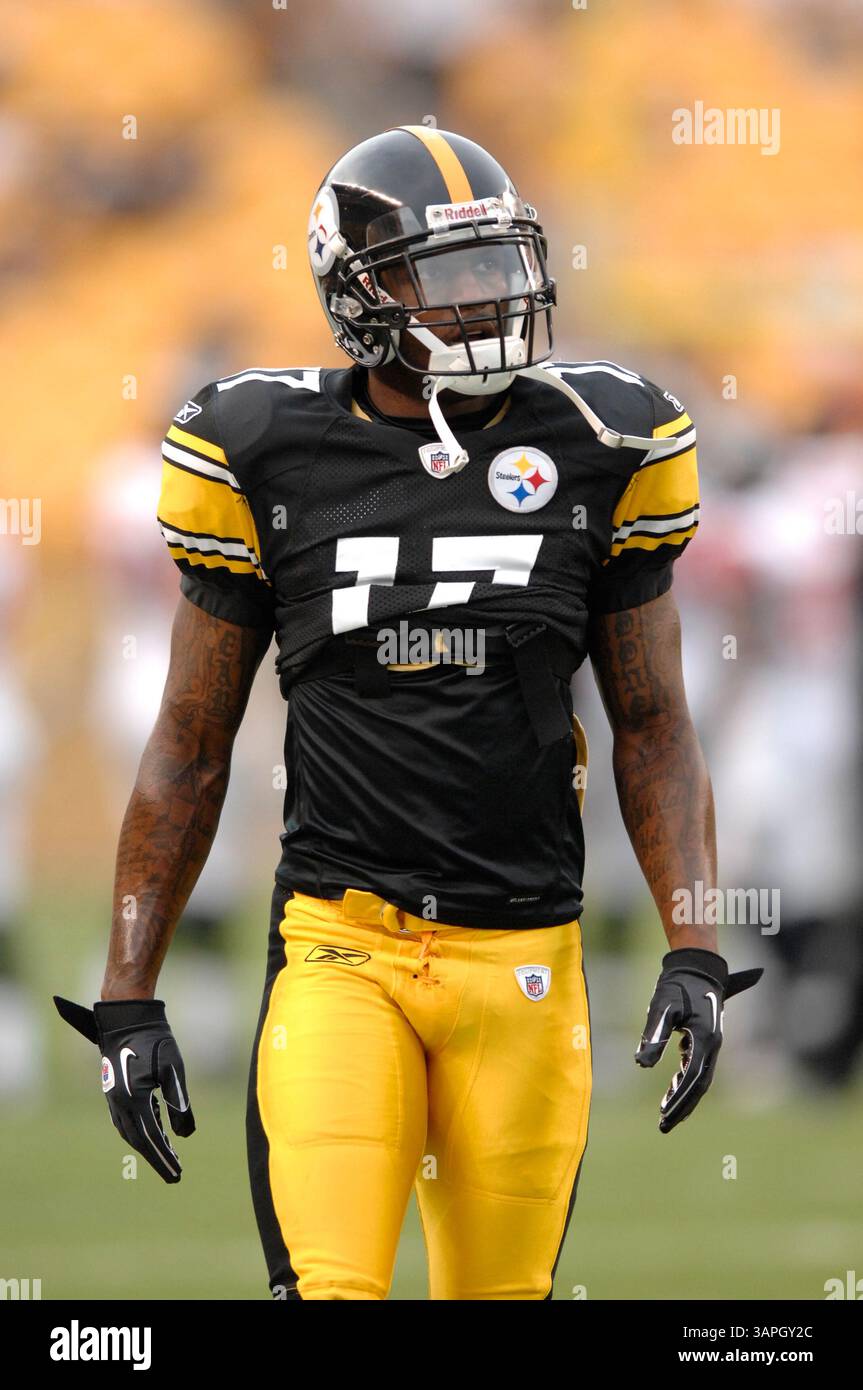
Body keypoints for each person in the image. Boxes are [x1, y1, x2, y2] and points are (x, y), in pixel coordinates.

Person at [55, 125, 761, 1301]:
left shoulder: (600, 442)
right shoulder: (261, 450)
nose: (487, 301)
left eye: (497, 267)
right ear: (359, 292)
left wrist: (692, 941)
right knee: (330, 1291)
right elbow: (190, 741)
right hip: (341, 943)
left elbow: (653, 726)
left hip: (525, 950)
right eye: (447, 275)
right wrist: (129, 992)